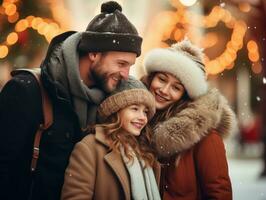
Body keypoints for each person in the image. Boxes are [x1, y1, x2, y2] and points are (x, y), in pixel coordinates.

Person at [0, 1, 142, 200]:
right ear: (93, 53)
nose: (126, 75)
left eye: (130, 66)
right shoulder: (27, 90)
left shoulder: (109, 104)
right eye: (121, 63)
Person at [142, 38, 237, 200]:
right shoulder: (137, 123)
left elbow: (219, 194)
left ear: (185, 96)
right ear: (151, 78)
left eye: (176, 87)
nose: (164, 90)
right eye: (162, 79)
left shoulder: (205, 137)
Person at [61, 77, 161, 200]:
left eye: (145, 112)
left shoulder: (145, 152)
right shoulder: (90, 147)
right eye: (135, 109)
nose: (142, 117)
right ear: (115, 111)